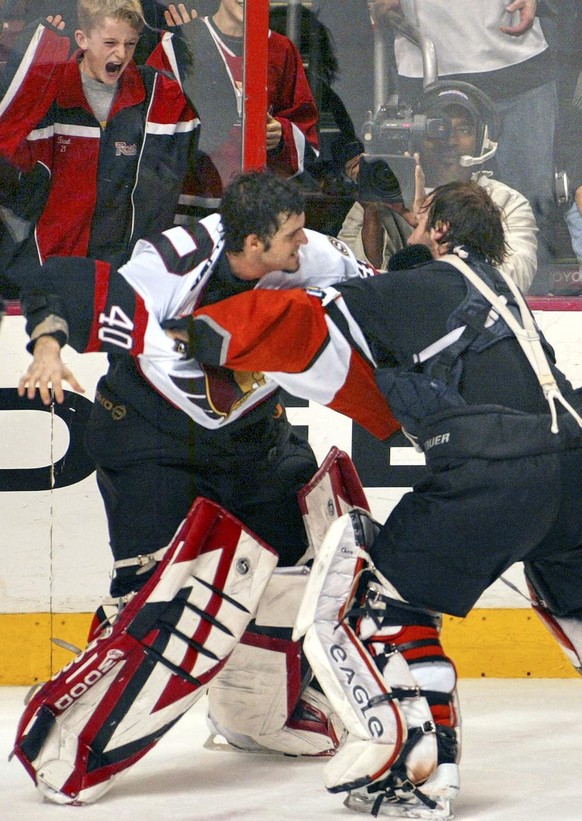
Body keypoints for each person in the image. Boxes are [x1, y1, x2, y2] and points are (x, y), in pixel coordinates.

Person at [187, 180, 582, 818]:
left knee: (375, 606)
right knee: (578, 606)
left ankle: (419, 776)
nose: (413, 227)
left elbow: (310, 320)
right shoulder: (502, 288)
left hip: (492, 470)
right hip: (573, 466)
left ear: (445, 233)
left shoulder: (417, 287)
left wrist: (207, 329)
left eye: (423, 220)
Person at [14, 171, 386, 802]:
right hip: (152, 443)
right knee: (152, 596)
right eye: (289, 237)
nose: (303, 247)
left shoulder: (311, 257)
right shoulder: (169, 264)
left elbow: (382, 294)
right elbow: (67, 285)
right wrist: (47, 350)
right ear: (249, 242)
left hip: (252, 443)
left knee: (307, 566)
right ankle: (72, 722)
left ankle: (258, 718)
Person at [0, 0, 199, 294]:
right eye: (110, 42)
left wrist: (192, 47)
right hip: (54, 274)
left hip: (127, 277)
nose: (121, 54)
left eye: (130, 44)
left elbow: (203, 142)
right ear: (82, 39)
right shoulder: (48, 93)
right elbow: (8, 144)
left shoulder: (156, 93)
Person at [369, 0, 557, 268]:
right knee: (425, 206)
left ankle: (528, 306)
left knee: (530, 210)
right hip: (424, 62)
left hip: (517, 63)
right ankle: (433, 295)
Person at [338, 81, 539, 291]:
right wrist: (372, 214)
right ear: (417, 138)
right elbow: (351, 280)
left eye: (464, 129)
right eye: (437, 128)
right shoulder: (382, 193)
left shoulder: (507, 202)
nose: (450, 140)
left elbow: (514, 280)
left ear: (481, 140)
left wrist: (429, 227)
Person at [162, 0, 319, 218]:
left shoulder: (281, 50)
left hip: (254, 210)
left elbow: (307, 134)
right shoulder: (186, 38)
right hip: (189, 206)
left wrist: (280, 136)